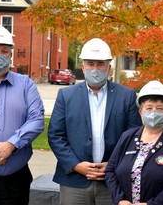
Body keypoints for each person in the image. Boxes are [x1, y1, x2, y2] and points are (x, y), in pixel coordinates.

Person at [48, 38, 142, 205]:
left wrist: (113, 164)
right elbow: (56, 135)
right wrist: (76, 165)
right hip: (74, 181)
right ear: (83, 67)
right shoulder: (66, 96)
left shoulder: (126, 96)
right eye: (90, 64)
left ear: (109, 67)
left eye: (100, 64)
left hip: (113, 181)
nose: (95, 69)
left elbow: (135, 138)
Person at [0, 25, 44, 204]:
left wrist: (11, 144)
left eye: (4, 51)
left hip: (15, 182)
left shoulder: (26, 84)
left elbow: (36, 120)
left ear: (11, 55)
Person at [106, 80, 163, 205]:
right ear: (140, 112)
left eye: (159, 109)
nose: (154, 113)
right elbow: (110, 171)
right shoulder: (127, 137)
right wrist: (119, 199)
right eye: (149, 108)